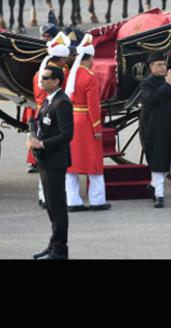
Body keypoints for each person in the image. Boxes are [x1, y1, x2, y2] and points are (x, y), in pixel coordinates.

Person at [28, 65, 74, 260]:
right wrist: (33, 140)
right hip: (47, 161)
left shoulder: (62, 102)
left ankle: (60, 250)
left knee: (57, 207)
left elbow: (67, 135)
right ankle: (54, 244)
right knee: (51, 206)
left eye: (46, 78)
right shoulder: (49, 100)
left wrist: (42, 144)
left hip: (55, 161)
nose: (42, 80)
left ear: (56, 81)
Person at [64, 34, 111, 212]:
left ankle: (73, 200)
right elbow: (93, 106)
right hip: (86, 123)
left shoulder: (72, 75)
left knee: (72, 165)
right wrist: (97, 127)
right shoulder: (90, 77)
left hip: (73, 121)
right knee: (95, 164)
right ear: (90, 57)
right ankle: (97, 200)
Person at [140, 51, 171, 208]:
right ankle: (159, 195)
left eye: (164, 64)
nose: (163, 67)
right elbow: (153, 98)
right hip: (155, 127)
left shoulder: (169, 80)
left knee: (170, 159)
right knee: (158, 159)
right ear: (151, 66)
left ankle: (153, 186)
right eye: (159, 65)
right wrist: (168, 85)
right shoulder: (147, 83)